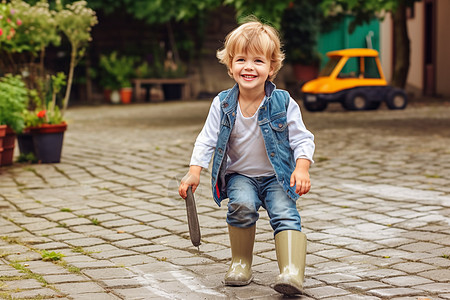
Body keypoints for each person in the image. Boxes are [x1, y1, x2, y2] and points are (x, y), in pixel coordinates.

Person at [178, 19, 315, 296]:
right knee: (240, 207)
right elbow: (206, 139)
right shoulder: (222, 104)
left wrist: (301, 168)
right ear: (230, 66)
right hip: (241, 176)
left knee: (285, 214)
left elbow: (302, 138)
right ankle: (241, 263)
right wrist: (195, 171)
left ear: (271, 68)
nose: (249, 67)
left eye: (258, 61)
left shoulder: (284, 102)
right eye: (241, 59)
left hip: (277, 176)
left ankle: (291, 272)